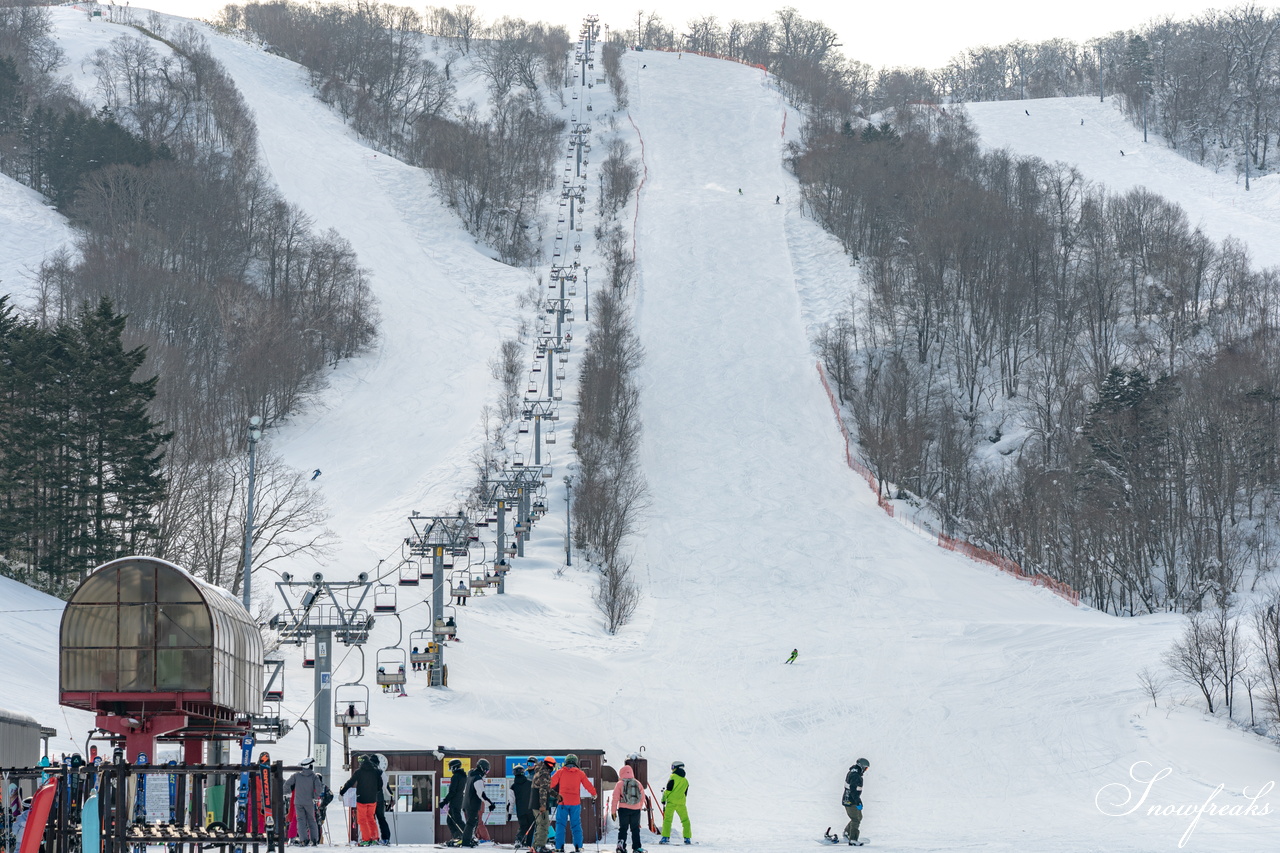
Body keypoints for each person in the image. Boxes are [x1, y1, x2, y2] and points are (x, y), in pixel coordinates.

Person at [550, 754, 596, 852]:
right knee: (576, 825)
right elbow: (587, 784)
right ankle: (578, 846)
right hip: (575, 803)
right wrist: (594, 793)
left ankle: (559, 847)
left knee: (560, 825)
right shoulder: (580, 773)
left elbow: (551, 783)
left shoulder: (560, 772)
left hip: (562, 802)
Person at [339, 755, 382, 846]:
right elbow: (380, 785)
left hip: (362, 799)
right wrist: (374, 792)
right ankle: (374, 838)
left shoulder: (359, 772)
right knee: (371, 819)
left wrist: (342, 792)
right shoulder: (376, 771)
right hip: (373, 799)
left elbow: (350, 782)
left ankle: (366, 839)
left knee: (362, 820)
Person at [285, 757, 323, 846]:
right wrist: (314, 796)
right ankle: (314, 840)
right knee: (311, 820)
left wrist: (287, 792)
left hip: (298, 802)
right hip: (309, 802)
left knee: (300, 821)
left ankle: (303, 840)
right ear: (309, 766)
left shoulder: (296, 775)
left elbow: (287, 784)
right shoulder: (314, 776)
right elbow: (319, 789)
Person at [610, 763, 645, 853]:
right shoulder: (638, 783)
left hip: (623, 809)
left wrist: (613, 811)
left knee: (623, 828)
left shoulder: (620, 784)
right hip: (636, 810)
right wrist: (639, 808)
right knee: (635, 829)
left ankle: (621, 847)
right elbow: (642, 797)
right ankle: (637, 848)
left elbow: (615, 798)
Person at [461, 759, 495, 848]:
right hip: (472, 804)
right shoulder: (477, 778)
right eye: (486, 771)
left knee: (472, 822)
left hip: (466, 803)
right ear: (482, 768)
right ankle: (466, 842)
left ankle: (470, 839)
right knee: (471, 823)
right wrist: (490, 804)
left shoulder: (470, 776)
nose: (486, 773)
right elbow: (481, 793)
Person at [659, 761, 690, 844]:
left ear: (676, 768)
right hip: (681, 803)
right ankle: (687, 838)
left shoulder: (673, 777)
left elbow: (668, 789)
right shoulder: (685, 781)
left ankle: (665, 837)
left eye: (673, 767)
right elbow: (685, 793)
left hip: (671, 803)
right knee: (685, 820)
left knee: (667, 820)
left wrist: (663, 799)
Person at [842, 758, 869, 846]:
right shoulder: (855, 776)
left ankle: (847, 833)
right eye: (866, 768)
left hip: (849, 799)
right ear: (862, 766)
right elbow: (853, 791)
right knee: (855, 819)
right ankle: (853, 839)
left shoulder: (854, 772)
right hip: (851, 801)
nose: (866, 770)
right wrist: (858, 802)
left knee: (859, 817)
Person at [531, 757, 556, 852]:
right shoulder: (544, 773)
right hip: (540, 804)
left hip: (534, 803)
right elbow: (543, 790)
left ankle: (535, 846)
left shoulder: (539, 771)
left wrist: (556, 795)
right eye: (553, 765)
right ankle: (539, 846)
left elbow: (546, 788)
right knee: (544, 825)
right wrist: (542, 805)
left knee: (539, 825)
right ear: (550, 764)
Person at [441, 759, 467, 846]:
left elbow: (452, 791)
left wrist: (444, 802)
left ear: (454, 767)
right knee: (450, 820)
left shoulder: (456, 777)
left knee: (456, 820)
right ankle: (458, 837)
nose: (451, 770)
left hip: (455, 801)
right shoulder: (463, 776)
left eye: (451, 768)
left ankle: (467, 836)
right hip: (459, 800)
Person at [511, 764, 534, 850]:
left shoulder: (513, 786)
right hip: (531, 809)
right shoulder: (530, 783)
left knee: (523, 826)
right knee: (531, 827)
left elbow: (511, 801)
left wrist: (509, 812)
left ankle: (518, 840)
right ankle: (528, 843)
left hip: (520, 810)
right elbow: (535, 796)